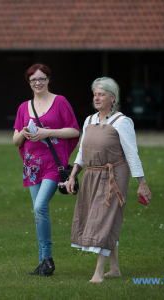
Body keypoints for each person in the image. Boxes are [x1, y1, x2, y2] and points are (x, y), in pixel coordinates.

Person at [66, 77, 152, 283]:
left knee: (103, 219)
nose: (96, 98)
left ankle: (98, 273)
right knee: (100, 218)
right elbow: (82, 152)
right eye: (95, 94)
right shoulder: (89, 120)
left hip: (114, 176)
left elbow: (132, 154)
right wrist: (72, 175)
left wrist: (142, 182)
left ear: (112, 98)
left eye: (101, 94)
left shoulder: (122, 122)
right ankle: (114, 269)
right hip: (91, 175)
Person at [13, 63, 80, 276]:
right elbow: (15, 140)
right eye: (33, 80)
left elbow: (73, 131)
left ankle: (48, 258)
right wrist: (24, 132)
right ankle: (43, 262)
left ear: (48, 79)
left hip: (53, 163)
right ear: (29, 83)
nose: (38, 83)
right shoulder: (24, 107)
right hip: (32, 165)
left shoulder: (60, 101)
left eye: (41, 78)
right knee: (38, 212)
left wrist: (45, 132)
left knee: (40, 207)